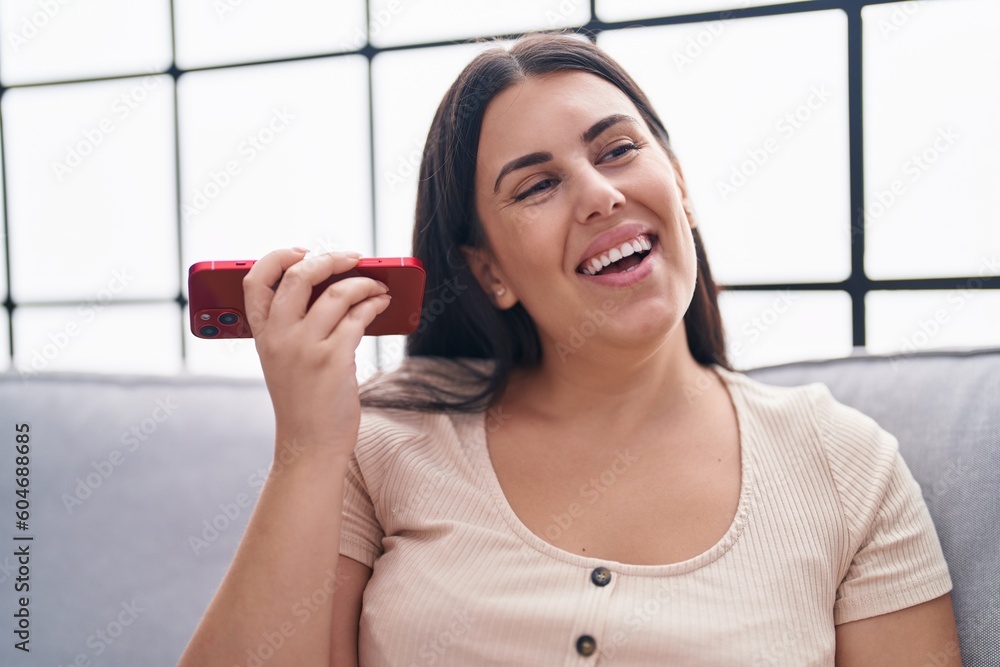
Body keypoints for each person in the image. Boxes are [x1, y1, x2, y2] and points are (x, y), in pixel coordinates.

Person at [179, 33, 961, 666]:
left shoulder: (846, 466)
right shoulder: (381, 438)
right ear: (487, 271)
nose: (598, 193)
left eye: (617, 148)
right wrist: (308, 449)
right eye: (535, 185)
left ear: (680, 186)